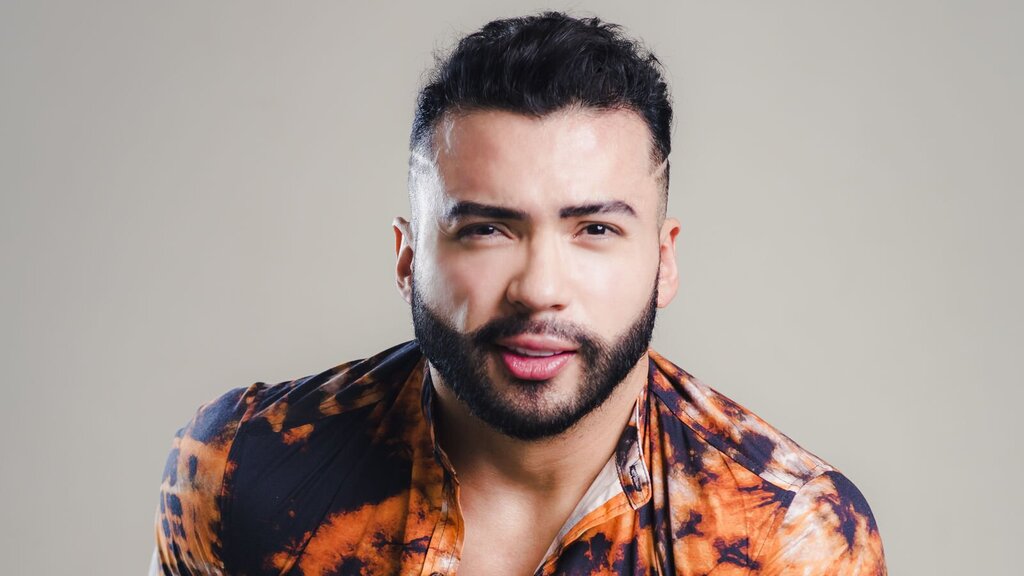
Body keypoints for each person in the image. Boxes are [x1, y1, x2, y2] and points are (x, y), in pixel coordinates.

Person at [153, 12, 886, 576]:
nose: (539, 290)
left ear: (664, 261)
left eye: (594, 229)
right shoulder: (242, 471)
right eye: (487, 230)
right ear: (408, 257)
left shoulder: (787, 537)